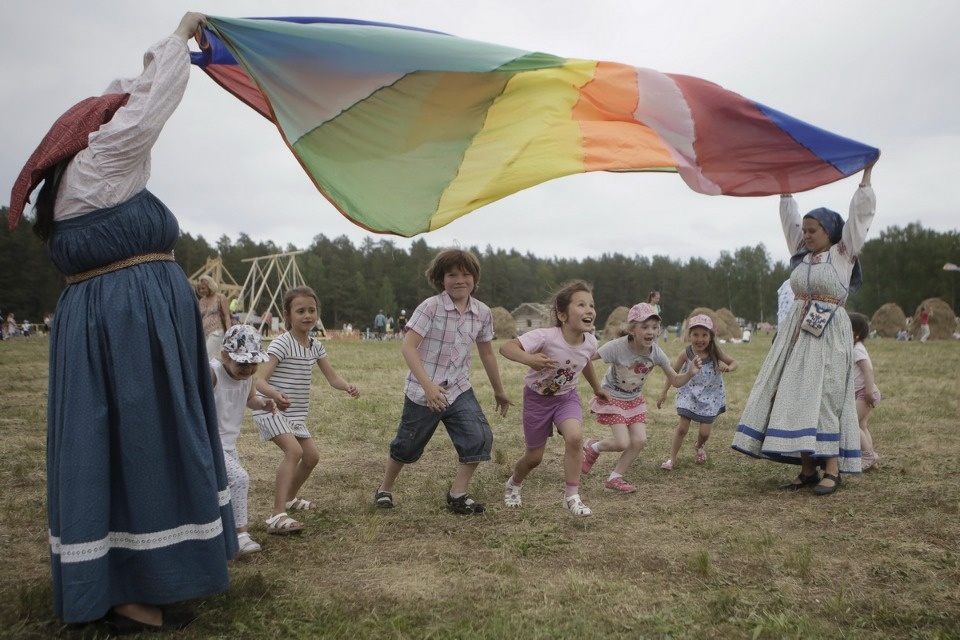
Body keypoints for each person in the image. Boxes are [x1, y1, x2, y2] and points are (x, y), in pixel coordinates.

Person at [8, 12, 238, 631]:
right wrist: (181, 33)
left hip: (116, 315)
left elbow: (131, 96)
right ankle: (132, 590)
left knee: (122, 439)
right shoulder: (103, 159)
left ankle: (140, 577)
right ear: (94, 133)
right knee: (140, 436)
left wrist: (155, 61)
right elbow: (147, 107)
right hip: (128, 323)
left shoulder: (79, 173)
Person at [732, 164, 877, 496]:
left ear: (829, 231)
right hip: (796, 335)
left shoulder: (843, 254)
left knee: (824, 395)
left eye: (813, 231)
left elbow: (859, 217)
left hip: (829, 334)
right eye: (806, 230)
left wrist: (866, 177)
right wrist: (785, 188)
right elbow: (789, 221)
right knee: (794, 394)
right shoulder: (802, 256)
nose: (807, 235)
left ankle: (832, 469)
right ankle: (807, 468)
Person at [374, 249, 512, 513]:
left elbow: (486, 353)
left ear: (475, 278)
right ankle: (384, 489)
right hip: (423, 391)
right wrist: (428, 386)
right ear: (440, 279)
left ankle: (457, 495)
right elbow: (408, 347)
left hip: (458, 389)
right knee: (406, 445)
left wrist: (499, 390)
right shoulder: (430, 307)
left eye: (466, 274)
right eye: (452, 275)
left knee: (478, 437)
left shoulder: (482, 312)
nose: (460, 280)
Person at [253, 286, 360, 533]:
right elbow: (260, 382)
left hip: (295, 415)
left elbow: (332, 377)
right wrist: (275, 395)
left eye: (312, 310)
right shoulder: (282, 343)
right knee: (294, 451)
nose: (307, 315)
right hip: (270, 408)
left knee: (311, 457)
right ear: (287, 315)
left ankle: (290, 498)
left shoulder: (316, 346)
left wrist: (347, 386)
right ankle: (277, 515)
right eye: (300, 311)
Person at [500, 280, 605, 516]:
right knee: (534, 458)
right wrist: (529, 359)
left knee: (575, 437)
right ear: (562, 314)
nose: (589, 309)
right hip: (537, 401)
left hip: (566, 398)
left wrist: (597, 388)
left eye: (591, 305)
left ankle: (572, 496)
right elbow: (506, 348)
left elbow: (585, 362)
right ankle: (514, 483)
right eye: (581, 305)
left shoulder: (591, 342)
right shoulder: (545, 337)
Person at [582, 302, 701, 491]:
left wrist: (690, 373)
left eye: (654, 327)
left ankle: (615, 478)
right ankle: (593, 447)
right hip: (612, 396)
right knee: (622, 442)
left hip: (633, 400)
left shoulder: (656, 353)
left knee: (639, 441)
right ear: (632, 329)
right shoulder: (617, 347)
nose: (650, 332)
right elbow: (586, 358)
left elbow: (675, 380)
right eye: (644, 327)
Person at [210, 324, 276, 555]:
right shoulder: (213, 373)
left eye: (253, 363)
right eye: (242, 363)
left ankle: (220, 531)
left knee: (225, 489)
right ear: (225, 356)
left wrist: (263, 404)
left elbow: (250, 399)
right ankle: (240, 535)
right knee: (239, 479)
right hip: (210, 443)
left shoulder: (246, 378)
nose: (248, 369)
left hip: (229, 444)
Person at [657, 314, 737, 470]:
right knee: (682, 428)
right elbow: (673, 373)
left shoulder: (715, 352)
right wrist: (664, 392)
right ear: (689, 335)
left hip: (710, 396)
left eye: (704, 335)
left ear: (711, 336)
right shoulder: (685, 353)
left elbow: (734, 362)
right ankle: (671, 459)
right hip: (689, 394)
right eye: (695, 335)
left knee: (705, 433)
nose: (700, 339)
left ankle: (699, 446)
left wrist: (728, 367)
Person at [849, 312, 881, 470]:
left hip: (865, 393)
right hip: (863, 392)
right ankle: (872, 457)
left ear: (855, 333)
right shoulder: (854, 348)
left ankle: (868, 456)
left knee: (850, 422)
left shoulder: (857, 349)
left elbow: (868, 370)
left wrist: (868, 392)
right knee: (862, 425)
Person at [197, 275, 232, 359]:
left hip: (216, 331)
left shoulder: (220, 297)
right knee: (211, 358)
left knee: (207, 357)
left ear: (210, 286)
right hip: (204, 333)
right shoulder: (201, 301)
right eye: (199, 289)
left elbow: (227, 316)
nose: (201, 291)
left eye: (203, 288)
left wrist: (229, 333)